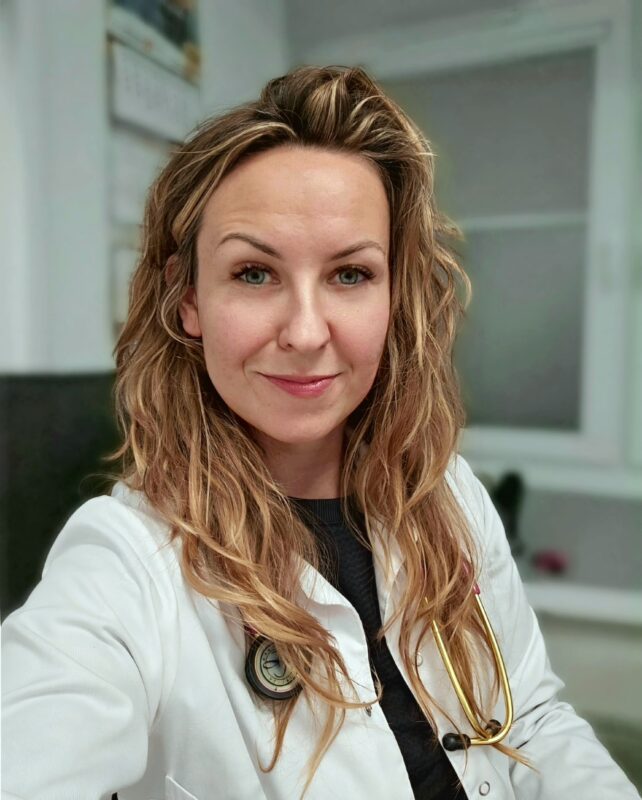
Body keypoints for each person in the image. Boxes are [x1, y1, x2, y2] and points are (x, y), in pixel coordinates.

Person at [1, 65, 638, 800]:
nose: (305, 333)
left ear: (394, 296)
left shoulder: (446, 493)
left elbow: (531, 719)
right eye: (254, 273)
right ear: (188, 300)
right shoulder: (126, 566)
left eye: (350, 275)